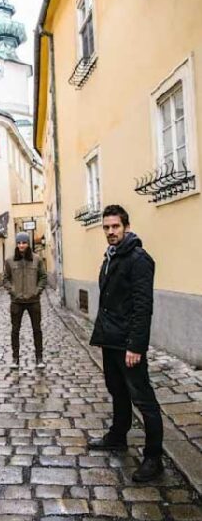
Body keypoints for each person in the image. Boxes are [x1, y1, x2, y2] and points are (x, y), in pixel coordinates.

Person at [88, 204, 164, 482]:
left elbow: (143, 307)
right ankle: (118, 436)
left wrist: (136, 346)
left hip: (127, 343)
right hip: (111, 339)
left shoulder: (138, 258)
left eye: (115, 226)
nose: (110, 231)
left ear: (126, 227)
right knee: (117, 391)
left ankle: (154, 458)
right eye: (106, 227)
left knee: (143, 399)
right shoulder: (111, 255)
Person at [3, 231, 47, 368]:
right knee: (15, 330)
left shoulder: (37, 259)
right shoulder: (10, 261)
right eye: (19, 243)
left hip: (33, 301)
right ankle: (15, 358)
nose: (21, 245)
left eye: (24, 242)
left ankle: (39, 358)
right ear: (16, 244)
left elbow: (43, 277)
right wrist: (13, 291)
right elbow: (5, 279)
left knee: (37, 330)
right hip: (17, 302)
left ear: (28, 244)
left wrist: (37, 291)